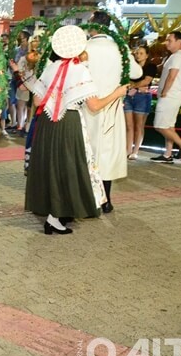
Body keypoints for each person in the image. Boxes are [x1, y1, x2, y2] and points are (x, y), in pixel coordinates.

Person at [25, 26, 127, 234]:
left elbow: (37, 99)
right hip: (68, 123)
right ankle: (55, 217)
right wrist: (118, 93)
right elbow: (95, 105)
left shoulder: (51, 67)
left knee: (51, 166)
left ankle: (54, 212)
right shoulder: (79, 70)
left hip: (47, 123)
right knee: (68, 167)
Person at [82, 11, 143, 213]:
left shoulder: (86, 48)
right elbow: (137, 73)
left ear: (93, 26)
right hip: (113, 105)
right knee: (106, 152)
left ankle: (88, 198)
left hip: (88, 104)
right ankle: (106, 199)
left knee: (87, 151)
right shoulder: (119, 48)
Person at [151, 31, 181, 163]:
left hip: (170, 95)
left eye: (169, 40)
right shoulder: (179, 56)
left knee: (160, 125)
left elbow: (172, 76)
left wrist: (165, 91)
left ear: (179, 41)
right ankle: (167, 154)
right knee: (169, 126)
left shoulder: (177, 57)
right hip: (174, 94)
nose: (167, 43)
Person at [124, 45, 156, 160]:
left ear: (147, 55)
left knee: (139, 125)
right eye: (137, 53)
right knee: (129, 125)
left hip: (142, 97)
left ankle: (135, 150)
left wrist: (134, 85)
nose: (138, 55)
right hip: (129, 96)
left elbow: (146, 81)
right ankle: (128, 149)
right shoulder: (131, 67)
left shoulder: (151, 67)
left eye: (141, 53)